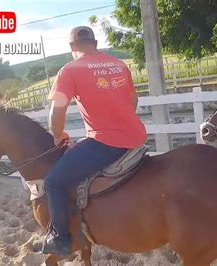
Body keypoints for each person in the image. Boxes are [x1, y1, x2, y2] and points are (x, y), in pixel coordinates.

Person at [42, 26, 147, 256]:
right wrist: (123, 121)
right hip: (136, 136)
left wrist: (58, 135)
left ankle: (60, 240)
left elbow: (56, 113)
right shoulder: (118, 64)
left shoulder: (69, 71)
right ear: (96, 43)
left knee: (53, 181)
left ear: (71, 47)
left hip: (106, 143)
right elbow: (133, 98)